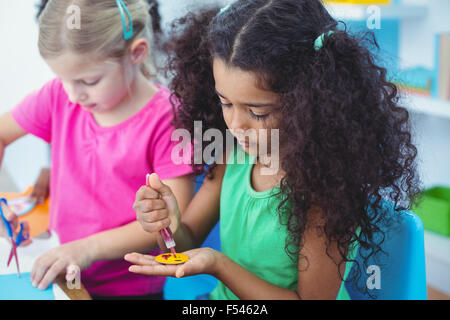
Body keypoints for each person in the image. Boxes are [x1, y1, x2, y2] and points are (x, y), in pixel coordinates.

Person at [125, 0, 421, 299]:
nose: (236, 124)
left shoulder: (324, 190)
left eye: (258, 112)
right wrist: (168, 223)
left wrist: (218, 265)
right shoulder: (234, 154)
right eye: (225, 103)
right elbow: (185, 244)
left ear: (309, 101)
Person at [0, 0, 194, 299]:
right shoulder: (58, 96)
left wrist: (85, 249)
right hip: (62, 277)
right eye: (64, 79)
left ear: (136, 54)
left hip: (130, 288)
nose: (74, 95)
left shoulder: (168, 119)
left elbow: (169, 223)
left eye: (88, 81)